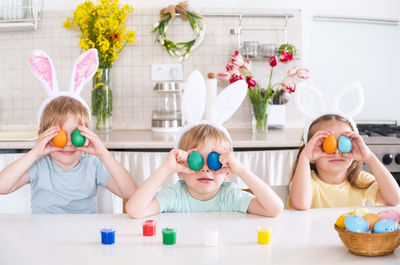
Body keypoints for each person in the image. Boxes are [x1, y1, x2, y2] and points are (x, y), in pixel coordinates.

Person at [0, 96, 137, 213]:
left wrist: (104, 154)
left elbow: (130, 193)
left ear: (86, 136)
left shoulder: (93, 166)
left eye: (76, 134)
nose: (69, 142)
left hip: (83, 236)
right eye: (60, 135)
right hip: (44, 236)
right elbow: (2, 186)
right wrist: (34, 153)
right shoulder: (39, 165)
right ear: (43, 136)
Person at [126, 123, 284, 218]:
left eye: (214, 161)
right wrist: (166, 168)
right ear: (180, 170)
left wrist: (242, 171)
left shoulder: (229, 196)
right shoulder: (175, 195)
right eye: (196, 160)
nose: (205, 169)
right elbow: (134, 210)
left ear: (227, 172)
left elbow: (275, 209)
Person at [289, 114, 400, 210]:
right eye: (326, 144)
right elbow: (300, 204)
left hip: (350, 235)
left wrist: (370, 158)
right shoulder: (306, 181)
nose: (337, 151)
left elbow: (395, 199)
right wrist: (305, 156)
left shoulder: (360, 180)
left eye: (344, 143)